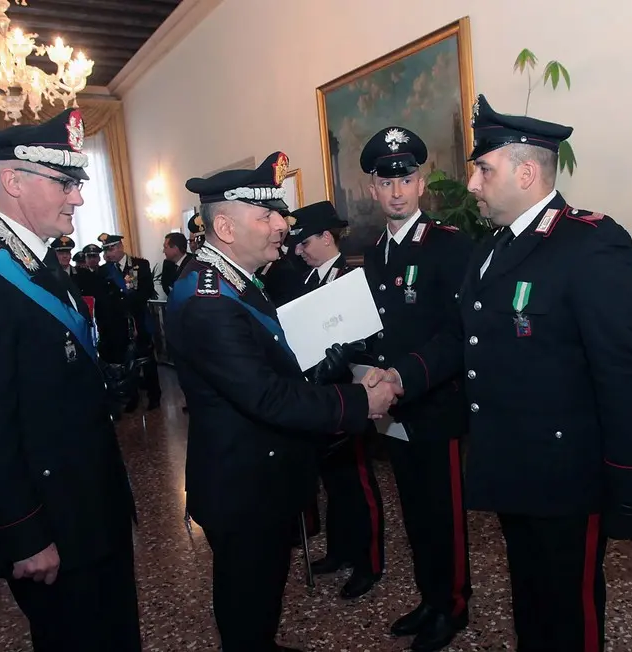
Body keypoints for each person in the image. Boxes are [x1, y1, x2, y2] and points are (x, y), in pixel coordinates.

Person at [374, 94, 632, 651]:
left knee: (568, 608)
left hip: (566, 477)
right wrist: (399, 378)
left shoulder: (589, 243)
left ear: (527, 171)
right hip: (510, 466)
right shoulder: (491, 250)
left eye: (484, 169)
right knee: (529, 599)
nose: (474, 185)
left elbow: (624, 373)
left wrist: (630, 485)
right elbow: (462, 337)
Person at [0, 109, 140, 652]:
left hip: (89, 507)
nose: (79, 199)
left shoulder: (37, 263)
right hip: (52, 525)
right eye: (66, 183)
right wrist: (25, 534)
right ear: (13, 181)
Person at [167, 151, 398, 652]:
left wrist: (342, 370)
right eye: (267, 215)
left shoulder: (238, 284)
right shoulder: (210, 302)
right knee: (246, 594)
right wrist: (361, 401)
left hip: (260, 476)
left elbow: (277, 364)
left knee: (261, 591)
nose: (282, 225)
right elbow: (268, 396)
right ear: (225, 227)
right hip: (242, 485)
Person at [355, 126, 474, 652]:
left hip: (436, 406)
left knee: (444, 515)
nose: (397, 190)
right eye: (387, 180)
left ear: (422, 183)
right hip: (393, 411)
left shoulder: (450, 246)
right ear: (372, 189)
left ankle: (453, 605)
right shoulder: (374, 252)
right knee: (415, 513)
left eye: (406, 177)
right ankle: (429, 597)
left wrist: (404, 376)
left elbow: (458, 335)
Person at [288, 200, 385, 599]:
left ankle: (369, 562)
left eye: (305, 241)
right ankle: (341, 550)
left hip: (350, 394)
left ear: (327, 238)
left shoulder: (351, 277)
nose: (299, 249)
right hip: (321, 399)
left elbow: (371, 335)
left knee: (359, 483)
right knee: (335, 481)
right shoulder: (310, 281)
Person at [96, 232, 161, 411]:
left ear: (120, 247)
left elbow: (146, 290)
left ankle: (154, 396)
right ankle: (132, 397)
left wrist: (128, 302)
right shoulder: (103, 271)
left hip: (139, 320)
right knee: (126, 362)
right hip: (118, 324)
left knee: (146, 359)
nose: (108, 253)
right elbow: (102, 300)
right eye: (105, 250)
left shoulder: (140, 265)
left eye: (111, 248)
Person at [159, 231, 192, 296]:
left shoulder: (192, 263)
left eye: (165, 247)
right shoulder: (167, 264)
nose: (163, 251)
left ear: (175, 249)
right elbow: (165, 286)